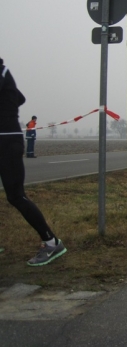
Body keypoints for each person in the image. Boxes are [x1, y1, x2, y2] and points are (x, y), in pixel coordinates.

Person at [0, 57, 67, 266]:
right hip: (6, 136)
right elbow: (19, 97)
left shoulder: (2, 71)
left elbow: (18, 98)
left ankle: (51, 241)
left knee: (16, 196)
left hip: (7, 140)